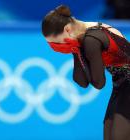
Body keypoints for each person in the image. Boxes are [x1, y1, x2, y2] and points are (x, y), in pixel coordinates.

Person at [41, 4, 130, 140]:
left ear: (67, 29)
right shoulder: (82, 34)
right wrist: (75, 51)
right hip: (122, 86)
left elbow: (99, 83)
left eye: (57, 43)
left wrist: (77, 50)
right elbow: (82, 82)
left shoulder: (92, 39)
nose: (58, 47)